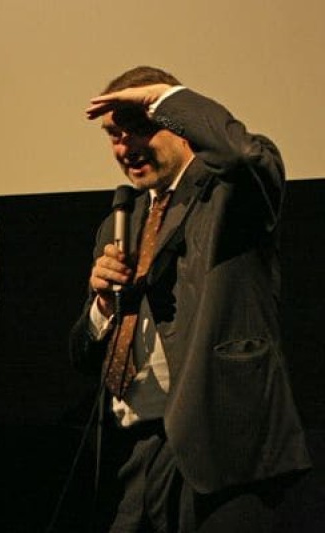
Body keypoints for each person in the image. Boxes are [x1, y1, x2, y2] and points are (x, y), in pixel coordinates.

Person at [68, 66, 311, 531]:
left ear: (178, 128)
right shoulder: (120, 219)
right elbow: (82, 356)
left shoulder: (228, 192)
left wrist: (165, 97)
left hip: (223, 448)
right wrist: (100, 308)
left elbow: (242, 155)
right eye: (114, 135)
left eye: (139, 127)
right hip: (137, 453)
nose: (125, 147)